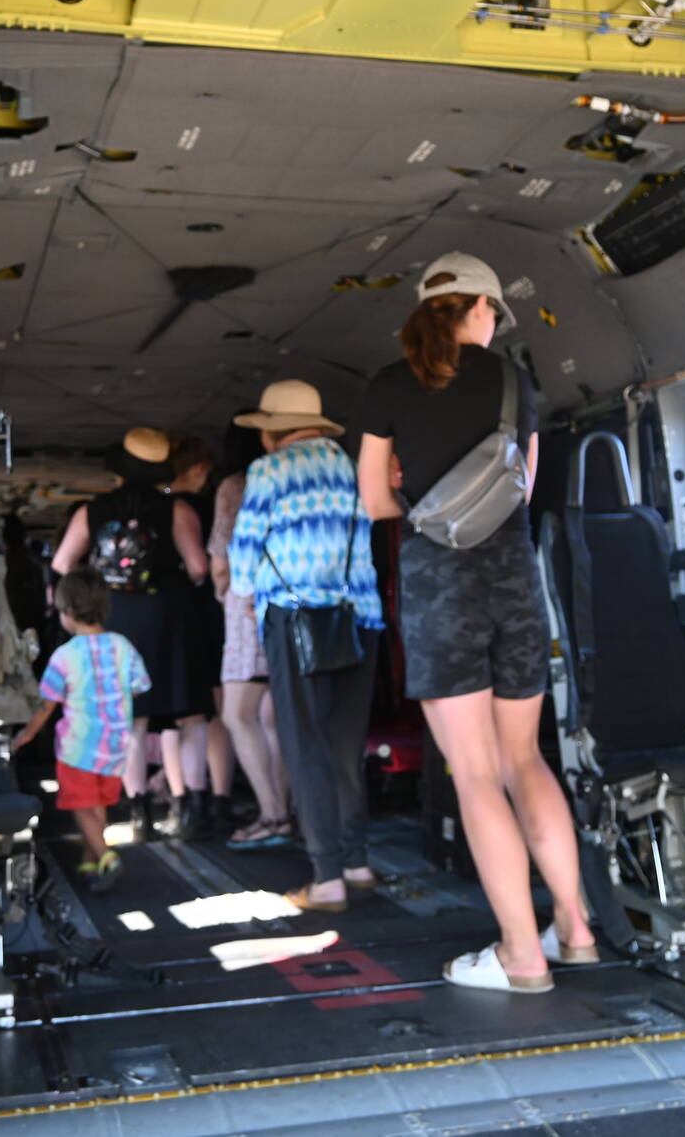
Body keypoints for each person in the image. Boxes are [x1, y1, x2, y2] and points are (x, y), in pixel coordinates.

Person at [356, 251, 594, 993]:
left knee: (477, 773)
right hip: (515, 581)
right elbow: (517, 490)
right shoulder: (513, 381)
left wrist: (417, 491)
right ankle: (577, 930)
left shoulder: (389, 386)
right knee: (527, 761)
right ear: (482, 310)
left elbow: (374, 504)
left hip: (441, 584)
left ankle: (523, 955)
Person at [228, 380, 383, 910]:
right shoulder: (353, 465)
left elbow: (245, 546)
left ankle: (327, 878)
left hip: (295, 620)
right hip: (359, 618)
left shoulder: (268, 471)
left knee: (304, 745)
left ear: (273, 432)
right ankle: (357, 861)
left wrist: (247, 594)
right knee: (345, 745)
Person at [50, 428, 210, 838]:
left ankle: (139, 815)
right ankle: (191, 808)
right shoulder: (176, 510)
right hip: (170, 614)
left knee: (133, 719)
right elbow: (197, 567)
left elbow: (64, 562)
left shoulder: (92, 510)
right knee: (189, 714)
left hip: (116, 616)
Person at [12, 568, 150, 893]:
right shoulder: (122, 645)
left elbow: (46, 704)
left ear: (69, 613)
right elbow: (140, 685)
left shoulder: (64, 656)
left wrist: (26, 735)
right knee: (97, 804)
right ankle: (90, 861)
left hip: (79, 747)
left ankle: (107, 857)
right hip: (116, 745)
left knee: (79, 804)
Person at [210, 419, 292, 849]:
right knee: (276, 716)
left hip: (245, 603)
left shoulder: (236, 487)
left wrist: (222, 590)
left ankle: (272, 814)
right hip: (289, 601)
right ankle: (287, 808)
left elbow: (221, 554)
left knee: (238, 714)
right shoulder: (287, 478)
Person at [169, 434, 235, 837]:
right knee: (218, 712)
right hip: (209, 610)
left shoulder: (159, 507)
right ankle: (220, 798)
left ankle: (185, 800)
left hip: (175, 617)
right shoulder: (197, 507)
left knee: (182, 715)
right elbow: (203, 564)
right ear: (197, 470)